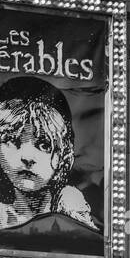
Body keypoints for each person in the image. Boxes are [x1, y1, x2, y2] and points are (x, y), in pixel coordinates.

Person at [0, 77, 98, 230]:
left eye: (44, 144)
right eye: (12, 140)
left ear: (64, 153)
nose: (28, 157)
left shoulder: (72, 207)